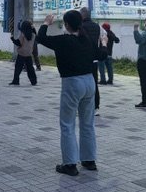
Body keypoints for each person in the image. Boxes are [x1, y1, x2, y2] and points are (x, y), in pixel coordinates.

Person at [37, 11, 107, 176]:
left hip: (72, 83)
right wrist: (104, 43)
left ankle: (70, 164)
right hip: (89, 82)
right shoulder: (87, 39)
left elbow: (41, 38)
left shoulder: (64, 40)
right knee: (87, 123)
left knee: (67, 124)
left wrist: (46, 23)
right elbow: (102, 55)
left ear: (67, 25)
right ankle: (89, 160)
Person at [79, 7, 101, 115]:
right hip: (94, 59)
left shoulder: (81, 26)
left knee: (81, 84)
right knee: (94, 83)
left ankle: (83, 107)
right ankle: (95, 107)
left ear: (83, 15)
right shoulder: (96, 26)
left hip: (82, 59)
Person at [9, 20, 37, 86]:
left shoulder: (23, 34)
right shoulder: (33, 35)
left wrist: (12, 39)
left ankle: (16, 81)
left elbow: (19, 43)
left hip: (22, 53)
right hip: (29, 53)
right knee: (30, 68)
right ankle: (33, 81)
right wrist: (32, 27)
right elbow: (34, 31)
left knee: (18, 68)